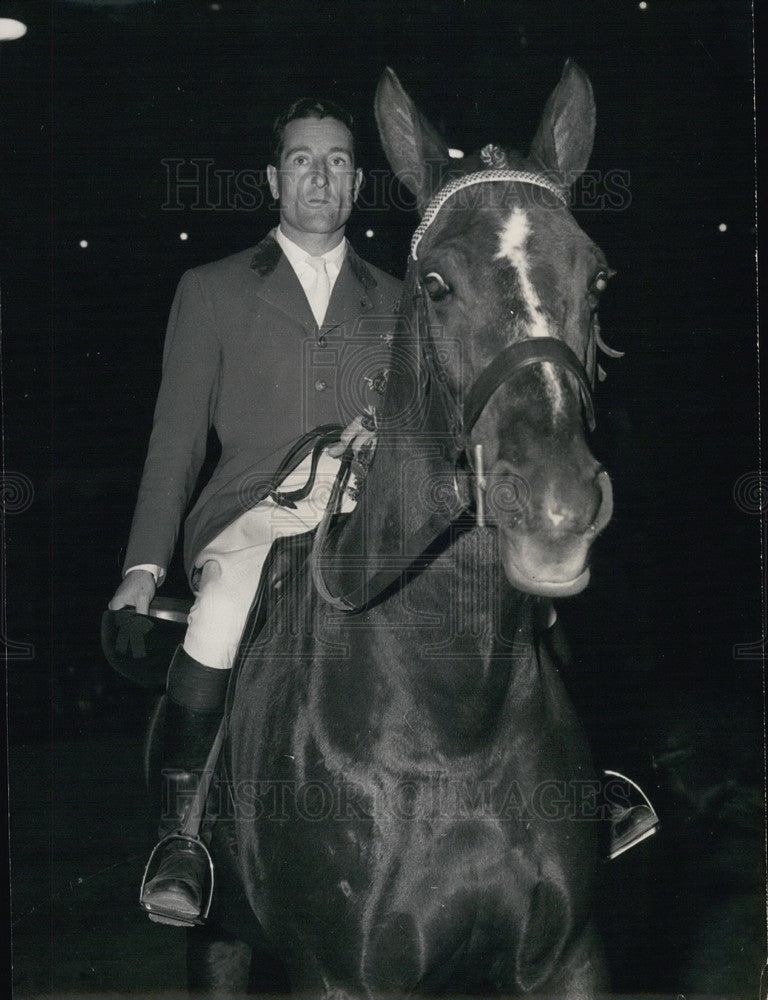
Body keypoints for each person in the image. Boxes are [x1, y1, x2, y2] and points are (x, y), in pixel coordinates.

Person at [108, 97, 402, 926]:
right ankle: (183, 836)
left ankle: (575, 790)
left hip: (369, 512)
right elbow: (175, 444)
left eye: (339, 160)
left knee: (478, 584)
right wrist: (142, 568)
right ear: (275, 179)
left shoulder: (405, 297)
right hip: (252, 517)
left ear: (357, 182)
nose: (321, 174)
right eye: (304, 159)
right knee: (225, 608)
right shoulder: (210, 291)